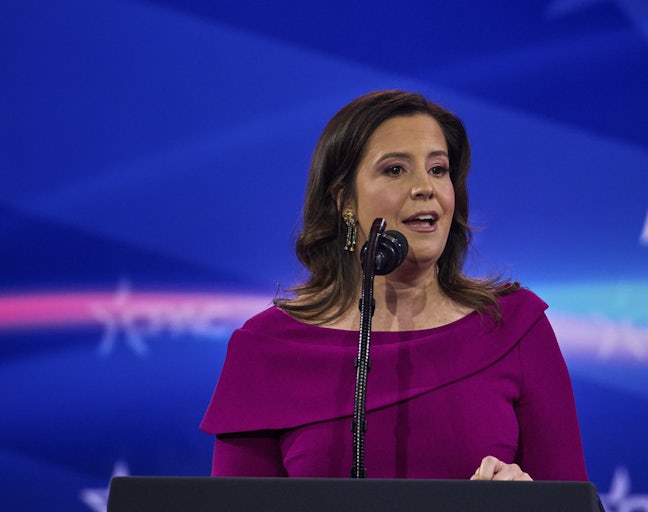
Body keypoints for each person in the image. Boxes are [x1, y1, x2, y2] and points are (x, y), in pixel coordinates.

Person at [200, 90, 588, 481]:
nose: (425, 187)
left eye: (438, 169)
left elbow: (572, 503)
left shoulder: (513, 327)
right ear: (344, 201)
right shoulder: (267, 346)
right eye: (395, 170)